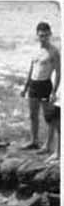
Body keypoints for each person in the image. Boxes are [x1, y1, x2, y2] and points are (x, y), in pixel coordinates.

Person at [21, 21, 61, 152]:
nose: (43, 38)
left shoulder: (54, 52)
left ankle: (48, 145)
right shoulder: (35, 50)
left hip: (45, 85)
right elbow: (31, 69)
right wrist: (25, 87)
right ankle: (34, 141)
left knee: (49, 118)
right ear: (37, 36)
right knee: (33, 115)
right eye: (41, 35)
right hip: (33, 84)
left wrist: (54, 92)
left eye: (45, 35)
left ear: (50, 35)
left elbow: (59, 73)